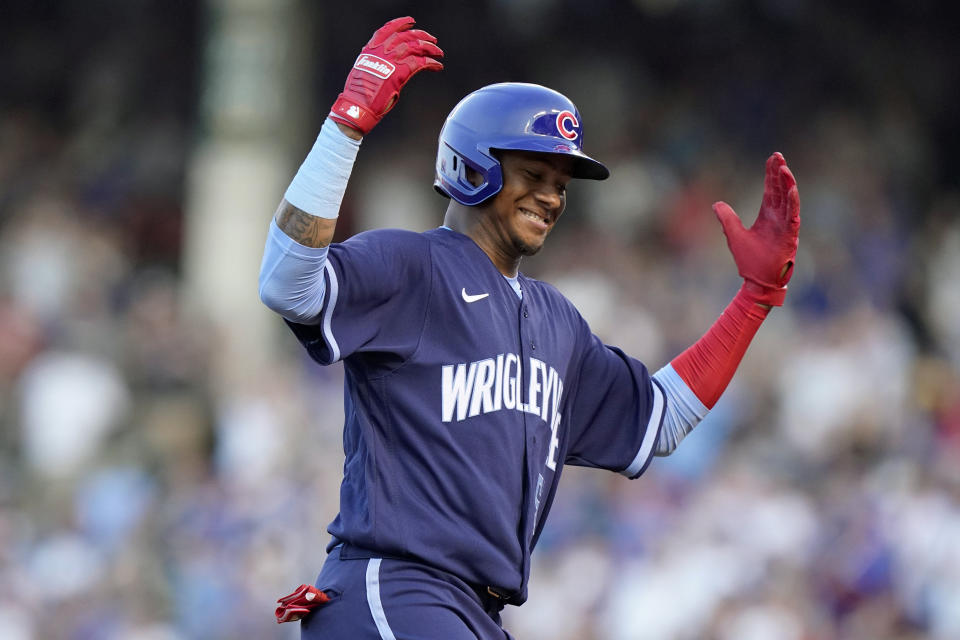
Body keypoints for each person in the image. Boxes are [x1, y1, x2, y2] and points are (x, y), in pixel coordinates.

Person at [259, 16, 800, 640]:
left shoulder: (557, 320)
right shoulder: (414, 267)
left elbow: (660, 419)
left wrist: (755, 298)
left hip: (470, 613)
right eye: (534, 175)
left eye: (561, 184)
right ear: (470, 168)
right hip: (395, 587)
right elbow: (286, 284)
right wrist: (345, 126)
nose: (553, 197)